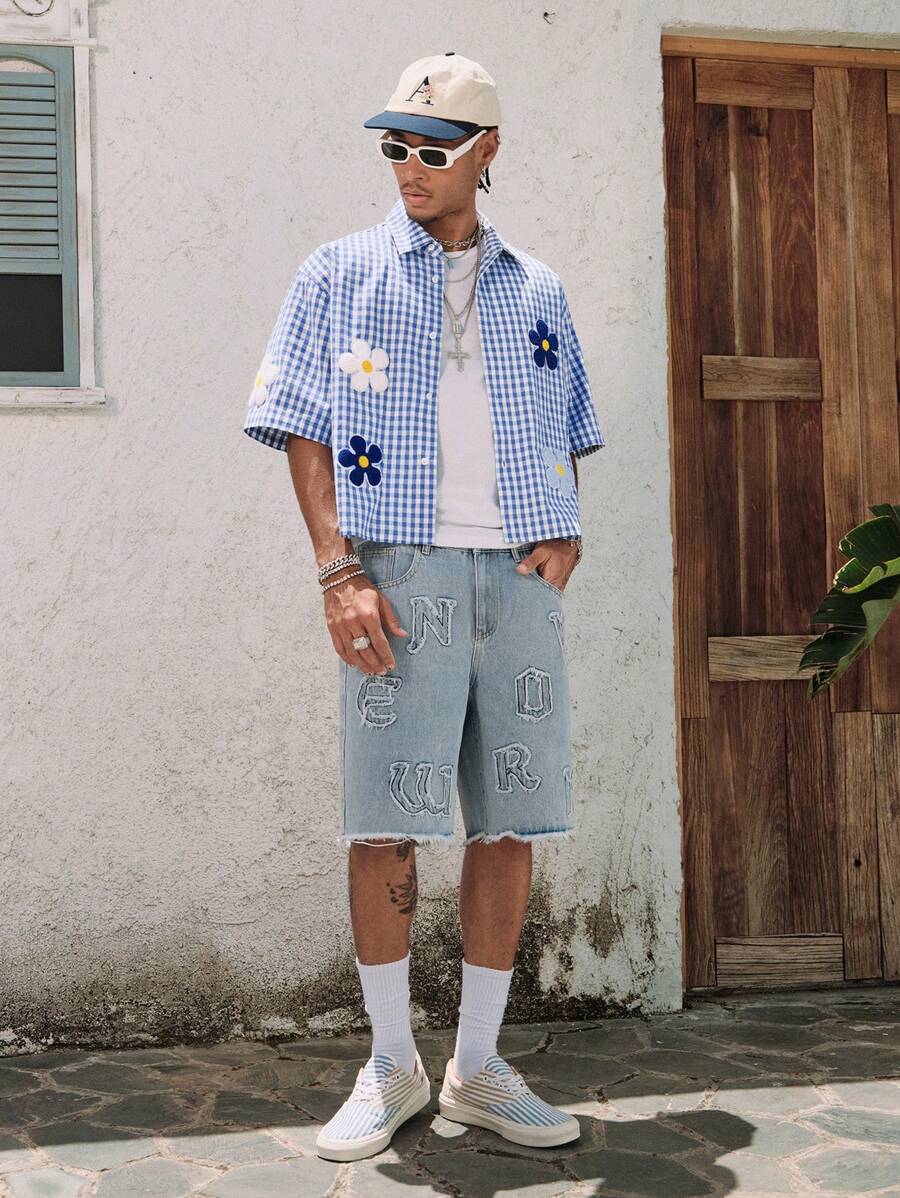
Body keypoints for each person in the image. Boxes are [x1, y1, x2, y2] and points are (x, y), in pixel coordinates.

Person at [243, 51, 606, 1163]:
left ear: (485, 151)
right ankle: (392, 1062)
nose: (408, 165)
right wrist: (336, 569)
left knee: (510, 822)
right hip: (395, 575)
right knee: (383, 819)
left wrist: (565, 525)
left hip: (515, 582)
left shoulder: (537, 288)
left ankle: (479, 1066)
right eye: (394, 145)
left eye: (432, 148)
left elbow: (565, 420)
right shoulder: (338, 273)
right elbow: (300, 421)